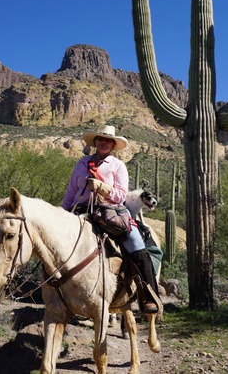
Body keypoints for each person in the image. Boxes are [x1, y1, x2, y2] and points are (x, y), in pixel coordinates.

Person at [62, 124, 159, 314]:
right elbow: (71, 191)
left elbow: (121, 196)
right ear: (95, 142)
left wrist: (102, 188)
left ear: (113, 145)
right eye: (101, 139)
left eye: (108, 140)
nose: (104, 143)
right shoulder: (82, 164)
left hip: (109, 211)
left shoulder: (117, 166)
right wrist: (63, 213)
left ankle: (149, 294)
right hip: (80, 209)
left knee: (135, 240)